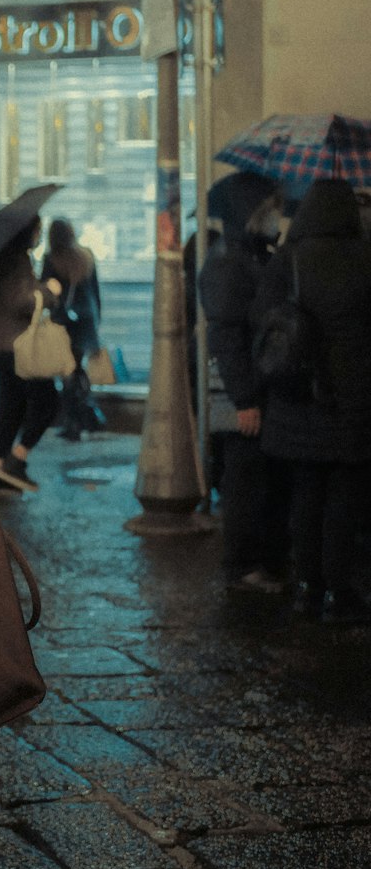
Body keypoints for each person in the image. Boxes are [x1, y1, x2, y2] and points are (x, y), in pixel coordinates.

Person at [252, 178, 371, 624]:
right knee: (345, 495)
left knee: (305, 492)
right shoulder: (365, 257)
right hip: (352, 399)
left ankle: (306, 588)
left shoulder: (289, 258)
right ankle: (339, 594)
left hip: (298, 396)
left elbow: (260, 318)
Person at [197, 173, 292, 594]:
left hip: (255, 389)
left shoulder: (249, 254)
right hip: (245, 393)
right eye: (269, 208)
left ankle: (257, 562)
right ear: (250, 214)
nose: (277, 216)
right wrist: (246, 399)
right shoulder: (228, 262)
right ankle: (242, 565)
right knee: (245, 481)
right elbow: (227, 335)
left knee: (258, 479)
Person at [0, 214, 58, 497]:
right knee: (49, 400)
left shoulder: (1, 259)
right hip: (15, 345)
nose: (40, 235)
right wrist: (48, 291)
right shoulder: (17, 260)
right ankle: (16, 460)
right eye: (38, 229)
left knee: (12, 405)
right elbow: (20, 301)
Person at [40, 217, 105, 442]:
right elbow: (95, 291)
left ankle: (74, 421)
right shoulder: (86, 255)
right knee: (77, 367)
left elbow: (46, 291)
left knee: (68, 371)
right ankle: (86, 415)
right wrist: (97, 318)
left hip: (65, 321)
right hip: (87, 318)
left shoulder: (52, 259)